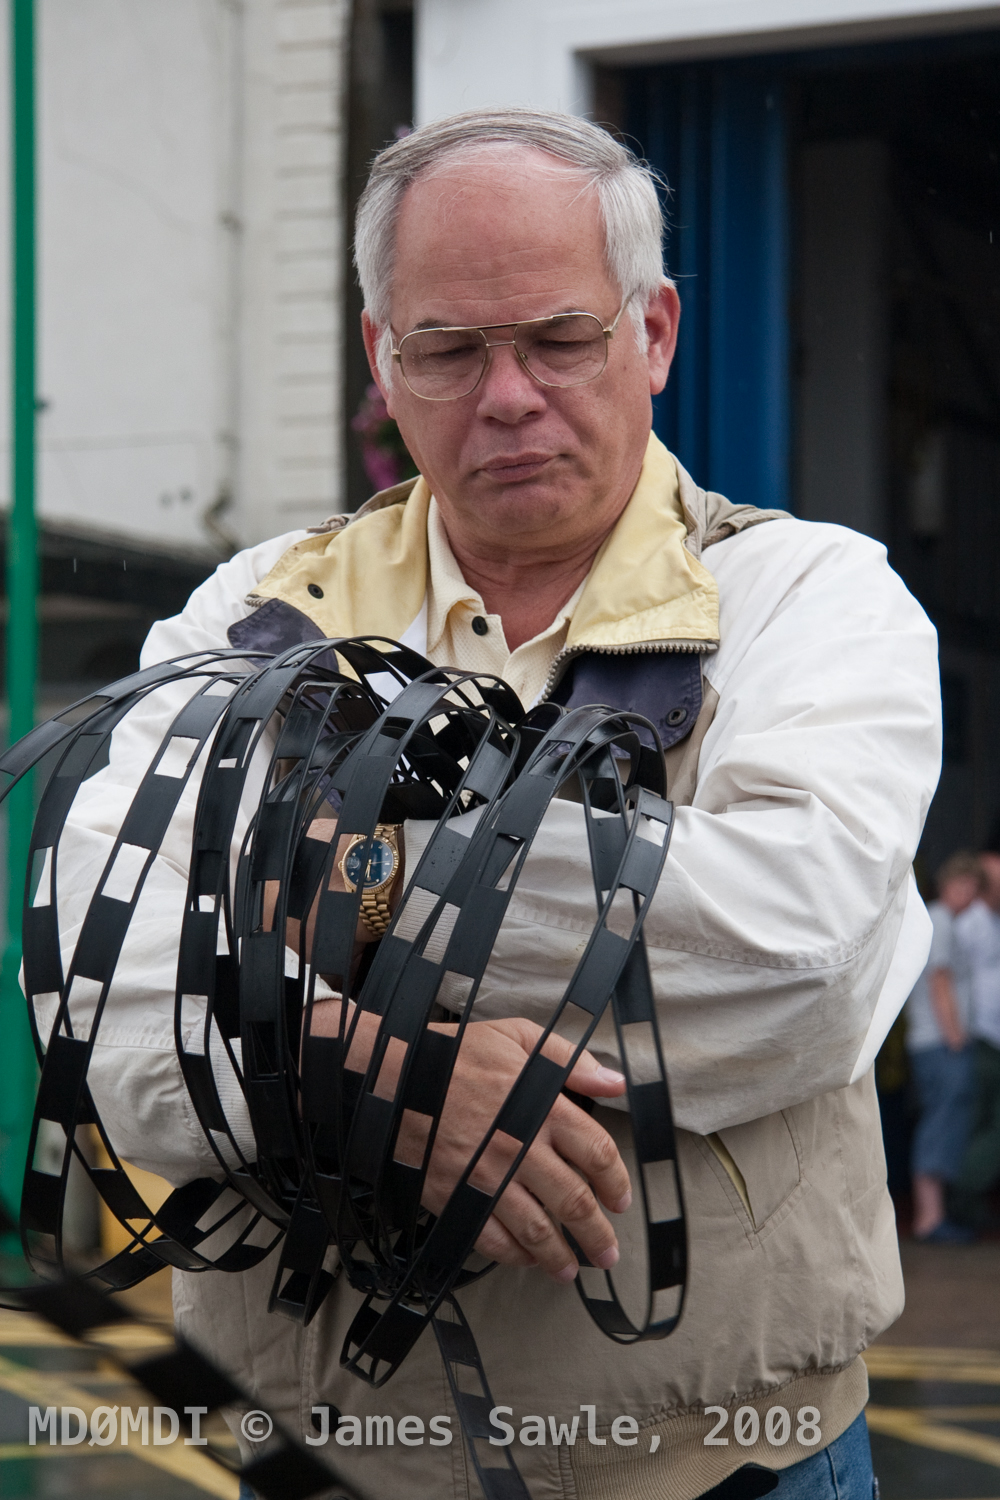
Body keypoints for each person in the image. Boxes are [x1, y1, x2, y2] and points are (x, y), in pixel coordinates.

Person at [52, 110, 940, 1500]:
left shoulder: (808, 600)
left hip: (717, 1470)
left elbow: (798, 959)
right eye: (450, 349)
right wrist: (373, 1075)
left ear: (652, 335)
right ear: (380, 362)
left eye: (559, 340)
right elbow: (101, 992)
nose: (507, 395)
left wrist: (307, 896)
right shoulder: (250, 612)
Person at [904, 852, 982, 1242]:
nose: (968, 894)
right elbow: (939, 982)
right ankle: (929, 1219)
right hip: (939, 1043)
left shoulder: (937, 919)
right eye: (963, 885)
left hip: (931, 1042)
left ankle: (931, 1217)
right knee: (940, 1124)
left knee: (940, 1122)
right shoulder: (940, 920)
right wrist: (955, 1038)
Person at [952, 849, 1000, 1228]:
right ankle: (963, 1200)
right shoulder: (971, 923)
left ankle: (966, 1202)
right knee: (988, 1129)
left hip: (984, 1038)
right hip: (985, 1040)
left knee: (983, 1125)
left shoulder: (982, 921)